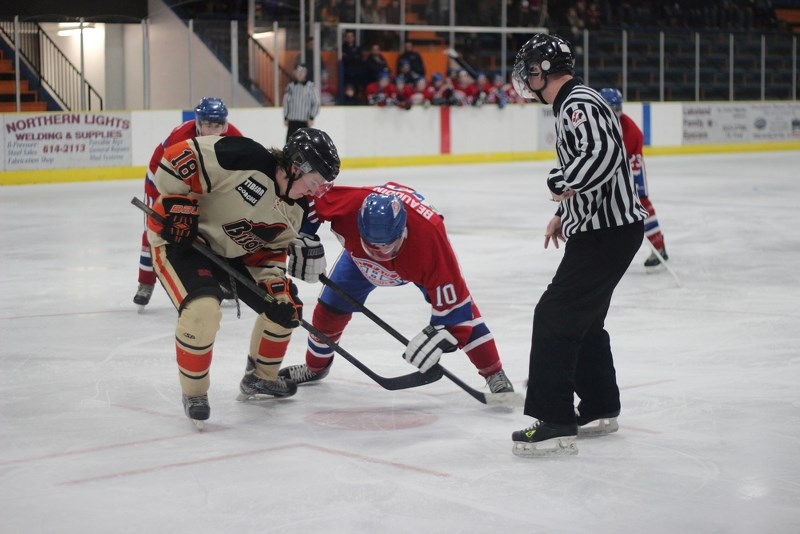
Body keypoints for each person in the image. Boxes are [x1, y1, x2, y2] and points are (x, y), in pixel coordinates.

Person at [509, 34, 647, 456]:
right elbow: (596, 165)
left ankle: (555, 420)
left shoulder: (577, 103)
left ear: (543, 70)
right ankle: (601, 407)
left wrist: (560, 183)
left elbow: (602, 156)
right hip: (606, 230)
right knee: (583, 322)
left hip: (608, 233)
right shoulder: (574, 102)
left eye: (530, 70)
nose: (526, 78)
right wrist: (564, 214)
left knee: (554, 316)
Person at [145, 128, 340, 426]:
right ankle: (195, 393)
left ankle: (260, 379)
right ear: (296, 165)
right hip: (183, 241)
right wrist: (178, 207)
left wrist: (274, 286)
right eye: (313, 182)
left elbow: (269, 254)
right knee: (203, 310)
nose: (313, 192)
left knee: (285, 307)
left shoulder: (296, 209)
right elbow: (175, 160)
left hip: (234, 255)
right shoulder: (244, 156)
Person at [278, 182, 517, 398]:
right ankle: (315, 367)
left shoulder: (430, 239)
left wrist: (445, 333)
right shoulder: (350, 204)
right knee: (328, 310)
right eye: (374, 246)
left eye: (386, 247)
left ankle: (494, 373)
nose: (380, 255)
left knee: (463, 313)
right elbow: (306, 198)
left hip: (412, 263)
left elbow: (457, 307)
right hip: (358, 262)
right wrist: (303, 236)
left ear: (402, 230)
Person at [134, 97, 243, 307]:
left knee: (218, 229)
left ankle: (220, 279)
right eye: (208, 125)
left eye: (217, 125)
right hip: (163, 177)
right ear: (198, 124)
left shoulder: (235, 138)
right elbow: (170, 178)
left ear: (225, 124)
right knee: (153, 229)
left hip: (201, 182)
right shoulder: (181, 138)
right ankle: (145, 283)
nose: (213, 131)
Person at [600, 87, 669, 268]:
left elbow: (630, 165)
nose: (616, 113)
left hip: (631, 166)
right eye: (611, 109)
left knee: (641, 202)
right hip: (605, 168)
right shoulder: (595, 122)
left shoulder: (631, 133)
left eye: (618, 108)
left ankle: (658, 246)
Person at [283, 63, 320, 142]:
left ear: (305, 73)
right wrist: (285, 117)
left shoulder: (311, 86)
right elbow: (286, 102)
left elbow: (316, 103)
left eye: (302, 72)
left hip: (304, 122)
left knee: (304, 144)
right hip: (292, 121)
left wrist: (311, 117)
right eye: (298, 71)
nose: (300, 74)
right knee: (289, 144)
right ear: (295, 73)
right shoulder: (290, 86)